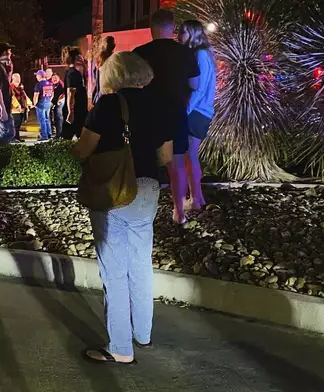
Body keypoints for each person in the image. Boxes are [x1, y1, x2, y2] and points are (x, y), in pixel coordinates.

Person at [73, 51, 173, 365]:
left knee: (114, 272)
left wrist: (75, 147)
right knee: (141, 264)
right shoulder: (159, 104)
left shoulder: (107, 105)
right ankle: (143, 334)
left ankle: (120, 347)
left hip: (113, 192)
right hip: (147, 189)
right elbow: (167, 157)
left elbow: (83, 150)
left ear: (113, 75)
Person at [134, 9, 200, 226]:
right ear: (172, 28)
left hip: (147, 114)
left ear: (151, 28)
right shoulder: (186, 53)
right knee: (177, 164)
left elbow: (132, 85)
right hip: (175, 113)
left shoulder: (139, 52)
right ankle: (179, 212)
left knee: (145, 164)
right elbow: (195, 85)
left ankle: (143, 212)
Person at [178, 20, 216, 211]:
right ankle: (197, 198)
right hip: (201, 111)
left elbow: (199, 89)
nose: (180, 36)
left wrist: (185, 112)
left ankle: (195, 199)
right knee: (190, 156)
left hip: (197, 111)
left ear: (193, 34)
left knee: (190, 156)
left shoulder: (200, 54)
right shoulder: (205, 54)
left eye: (184, 32)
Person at [61, 46, 88, 140]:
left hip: (80, 110)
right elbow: (70, 93)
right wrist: (70, 112)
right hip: (75, 111)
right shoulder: (72, 73)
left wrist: (84, 65)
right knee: (67, 138)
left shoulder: (76, 73)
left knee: (81, 137)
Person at [92, 36, 116, 106]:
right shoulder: (113, 59)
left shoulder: (98, 59)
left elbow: (95, 79)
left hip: (98, 96)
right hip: (107, 96)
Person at [10, 73, 32, 143]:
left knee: (18, 124)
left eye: (19, 77)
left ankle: (17, 137)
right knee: (15, 125)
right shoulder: (11, 87)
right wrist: (17, 105)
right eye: (16, 77)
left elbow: (24, 96)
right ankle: (13, 138)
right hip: (14, 110)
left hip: (21, 109)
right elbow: (12, 98)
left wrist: (29, 103)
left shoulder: (20, 87)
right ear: (13, 78)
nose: (18, 79)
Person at [33, 69, 54, 141]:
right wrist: (49, 101)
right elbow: (52, 95)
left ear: (40, 76)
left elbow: (36, 96)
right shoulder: (50, 83)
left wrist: (35, 104)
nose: (36, 77)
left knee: (42, 120)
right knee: (47, 119)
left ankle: (44, 135)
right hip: (47, 103)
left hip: (40, 104)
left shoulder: (38, 85)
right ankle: (49, 133)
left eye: (37, 75)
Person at [51, 73, 65, 138]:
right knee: (56, 119)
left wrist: (57, 101)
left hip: (60, 104)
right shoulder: (53, 86)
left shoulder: (61, 85)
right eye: (53, 78)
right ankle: (58, 134)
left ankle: (59, 135)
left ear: (59, 78)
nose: (54, 79)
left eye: (56, 78)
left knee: (59, 119)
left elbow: (62, 94)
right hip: (55, 104)